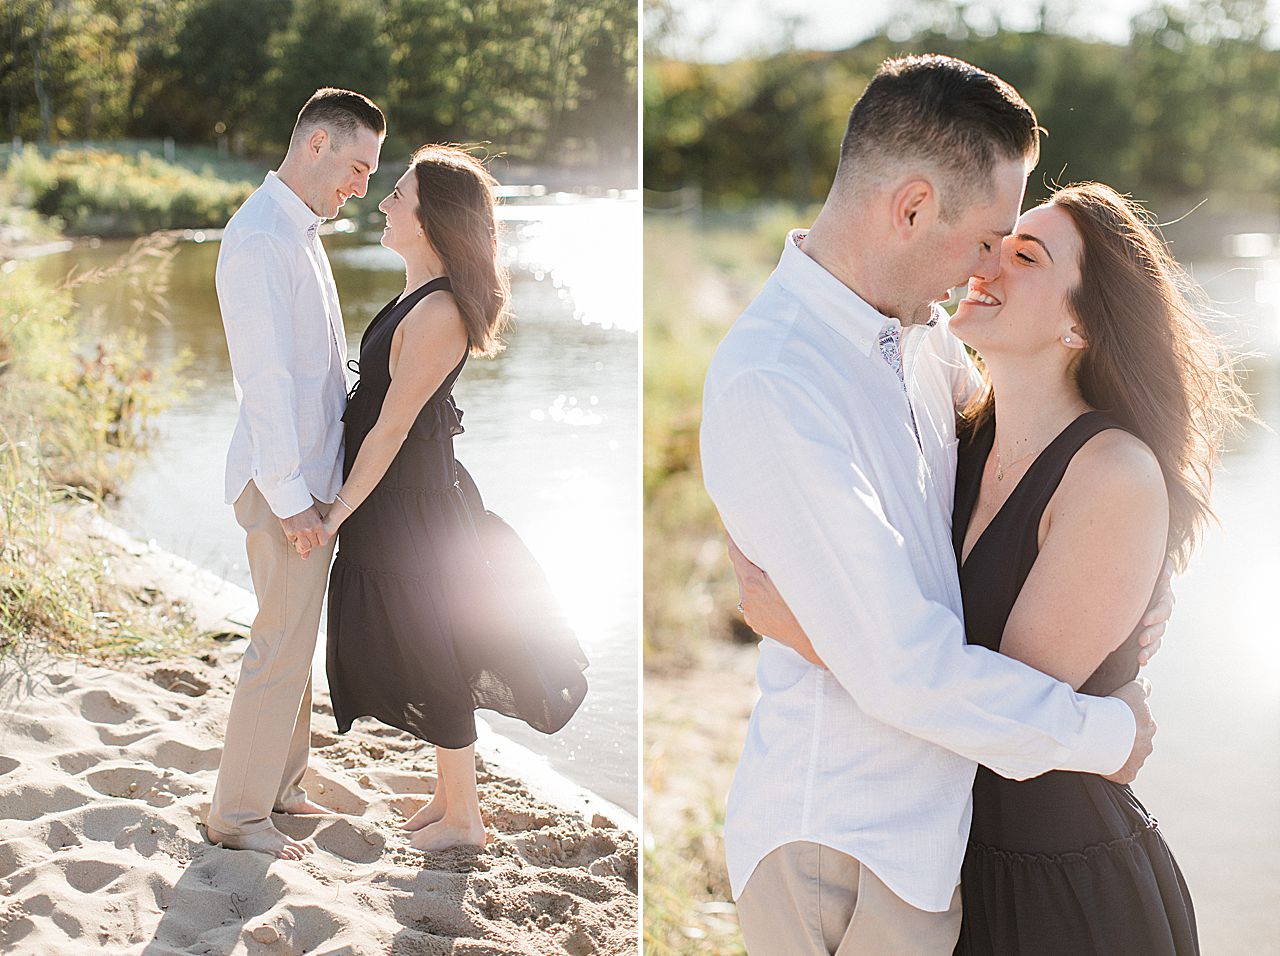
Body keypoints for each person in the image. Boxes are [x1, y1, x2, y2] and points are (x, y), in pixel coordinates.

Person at [699, 55, 1174, 954]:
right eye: (991, 234)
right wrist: (1107, 733)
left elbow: (1057, 479)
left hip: (929, 843)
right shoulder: (778, 382)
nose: (988, 265)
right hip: (841, 842)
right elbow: (902, 667)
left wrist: (1137, 586)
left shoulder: (917, 342)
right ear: (913, 207)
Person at [739, 182, 1247, 953]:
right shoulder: (958, 436)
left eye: (1025, 256)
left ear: (1080, 320)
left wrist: (808, 631)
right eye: (992, 245)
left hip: (1063, 884)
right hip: (946, 862)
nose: (987, 266)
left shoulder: (1112, 474)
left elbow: (1001, 708)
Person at [318, 145, 588, 853]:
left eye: (398, 194)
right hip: (398, 499)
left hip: (413, 505)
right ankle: (448, 799)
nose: (383, 202)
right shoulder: (420, 293)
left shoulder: (438, 311)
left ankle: (465, 816)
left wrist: (335, 512)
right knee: (420, 638)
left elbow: (392, 428)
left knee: (430, 643)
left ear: (432, 217)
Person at [209, 87, 385, 860]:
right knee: (278, 647)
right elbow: (265, 382)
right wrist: (290, 502)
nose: (363, 184)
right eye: (357, 165)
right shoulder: (258, 240)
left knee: (294, 641)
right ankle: (239, 816)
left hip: (309, 474)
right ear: (315, 144)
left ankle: (282, 786)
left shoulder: (299, 230)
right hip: (283, 483)